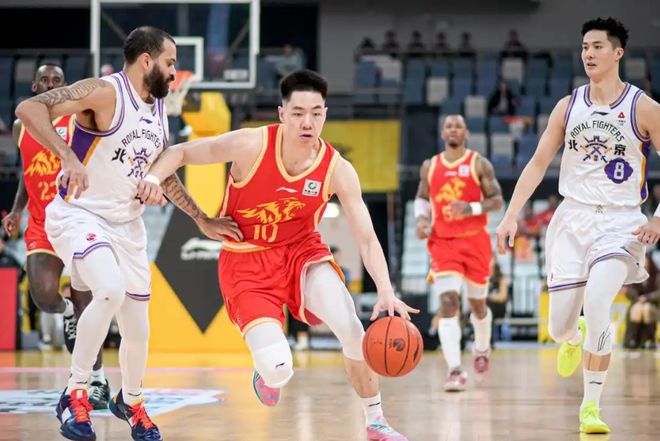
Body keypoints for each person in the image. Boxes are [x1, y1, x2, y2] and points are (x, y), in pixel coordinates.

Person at [137, 69, 419, 441]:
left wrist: (385, 289)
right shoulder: (251, 145)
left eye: (315, 113)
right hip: (247, 261)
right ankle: (266, 371)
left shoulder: (337, 169)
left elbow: (366, 238)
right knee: (278, 369)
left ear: (325, 115)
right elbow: (180, 152)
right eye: (298, 113)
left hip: (302, 255)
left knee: (353, 330)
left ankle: (376, 421)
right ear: (282, 114)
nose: (307, 122)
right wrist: (156, 182)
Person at [15, 26, 221, 441]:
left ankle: (132, 400)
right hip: (80, 214)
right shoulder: (105, 92)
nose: (174, 71)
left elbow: (161, 174)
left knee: (138, 326)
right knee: (108, 291)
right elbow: (28, 108)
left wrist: (200, 218)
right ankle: (75, 393)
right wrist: (68, 156)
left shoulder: (158, 109)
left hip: (127, 225)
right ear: (147, 60)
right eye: (170, 62)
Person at [496, 17, 660, 434]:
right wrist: (511, 214)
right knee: (558, 327)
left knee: (600, 300)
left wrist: (658, 218)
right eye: (585, 46)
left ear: (618, 53)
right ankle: (573, 336)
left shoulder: (643, 107)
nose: (589, 53)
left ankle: (591, 407)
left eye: (598, 46)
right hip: (572, 218)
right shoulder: (568, 107)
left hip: (621, 221)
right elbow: (537, 164)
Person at [1, 63, 111, 409]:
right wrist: (17, 210)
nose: (51, 85)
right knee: (43, 296)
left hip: (78, 218)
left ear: (66, 86)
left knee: (87, 306)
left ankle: (98, 379)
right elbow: (27, 172)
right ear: (35, 86)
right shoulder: (21, 125)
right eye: (45, 80)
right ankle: (64, 312)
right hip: (41, 223)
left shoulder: (79, 118)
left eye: (57, 81)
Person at [414, 114, 504, 392]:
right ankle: (454, 370)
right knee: (449, 303)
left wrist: (471, 208)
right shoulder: (430, 166)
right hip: (444, 242)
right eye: (448, 126)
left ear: (466, 133)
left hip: (475, 241)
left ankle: (482, 348)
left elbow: (497, 200)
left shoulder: (478, 163)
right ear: (443, 133)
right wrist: (421, 220)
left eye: (458, 126)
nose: (453, 129)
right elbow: (421, 197)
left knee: (478, 306)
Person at [624, 253, 659, 349]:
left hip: (652, 304)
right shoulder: (633, 275)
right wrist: (637, 298)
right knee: (637, 309)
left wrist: (647, 298)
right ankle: (634, 339)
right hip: (636, 303)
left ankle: (650, 339)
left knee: (647, 309)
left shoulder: (656, 275)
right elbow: (628, 291)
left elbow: (658, 293)